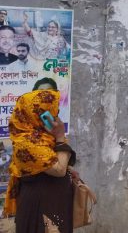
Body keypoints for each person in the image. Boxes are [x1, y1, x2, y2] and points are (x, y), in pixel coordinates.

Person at [5, 78, 77, 232]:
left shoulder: (46, 136)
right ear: (32, 110)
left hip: (54, 205)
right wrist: (60, 137)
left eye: (52, 106)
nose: (52, 111)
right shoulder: (27, 142)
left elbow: (59, 165)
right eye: (45, 107)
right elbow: (59, 170)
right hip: (39, 209)